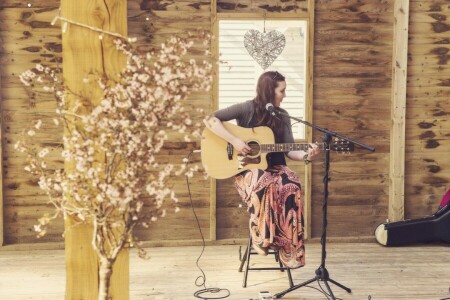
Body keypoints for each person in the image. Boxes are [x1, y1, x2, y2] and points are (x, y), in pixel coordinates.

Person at [203, 71, 320, 269]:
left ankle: (289, 250)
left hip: (275, 167)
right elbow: (210, 120)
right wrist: (235, 141)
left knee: (292, 182)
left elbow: (291, 151)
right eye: (282, 91)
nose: (284, 95)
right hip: (247, 172)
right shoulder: (246, 109)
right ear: (269, 91)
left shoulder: (282, 116)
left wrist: (308, 155)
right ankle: (261, 235)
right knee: (262, 179)